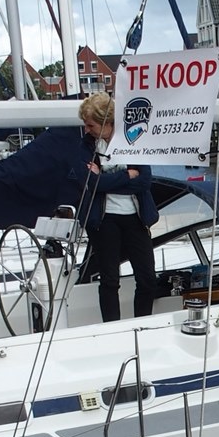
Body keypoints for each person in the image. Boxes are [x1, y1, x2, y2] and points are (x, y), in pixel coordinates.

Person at [78, 92, 158, 322]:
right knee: (110, 280)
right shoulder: (87, 146)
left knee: (147, 278)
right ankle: (112, 328)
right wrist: (126, 176)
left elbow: (144, 181)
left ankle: (142, 323)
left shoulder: (133, 138)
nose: (86, 129)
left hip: (135, 217)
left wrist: (105, 181)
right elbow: (91, 183)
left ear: (106, 123)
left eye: (90, 124)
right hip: (105, 220)